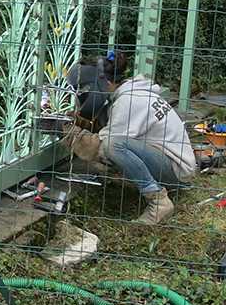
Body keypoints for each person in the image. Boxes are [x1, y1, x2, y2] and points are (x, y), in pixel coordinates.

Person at [64, 52, 197, 225]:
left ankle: (159, 202)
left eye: (86, 88)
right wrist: (73, 120)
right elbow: (103, 123)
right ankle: (144, 182)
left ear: (108, 83)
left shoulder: (128, 101)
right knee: (111, 135)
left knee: (113, 146)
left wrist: (68, 132)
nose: (83, 92)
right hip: (169, 161)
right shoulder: (130, 93)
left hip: (176, 170)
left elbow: (102, 147)